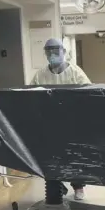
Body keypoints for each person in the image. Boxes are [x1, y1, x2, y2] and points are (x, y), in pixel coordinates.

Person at [31, 38, 91, 200]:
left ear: (63, 52)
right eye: (49, 52)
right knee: (52, 157)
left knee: (74, 156)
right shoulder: (41, 75)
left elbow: (88, 93)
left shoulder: (75, 73)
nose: (52, 55)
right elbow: (30, 95)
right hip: (50, 123)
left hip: (72, 122)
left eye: (55, 51)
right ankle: (57, 187)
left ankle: (78, 186)